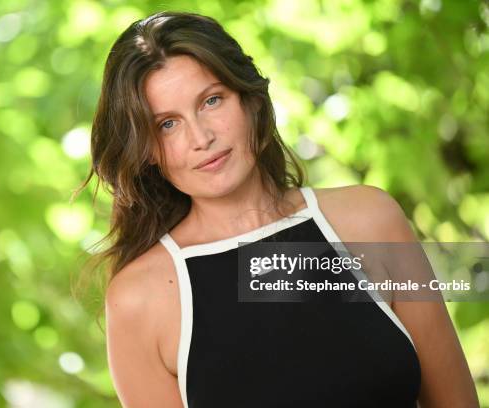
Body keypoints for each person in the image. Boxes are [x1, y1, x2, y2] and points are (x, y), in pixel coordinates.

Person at [79, 10, 479, 408]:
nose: (201, 137)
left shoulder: (368, 219)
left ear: (250, 100)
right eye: (167, 124)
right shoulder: (140, 298)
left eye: (212, 100)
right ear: (146, 150)